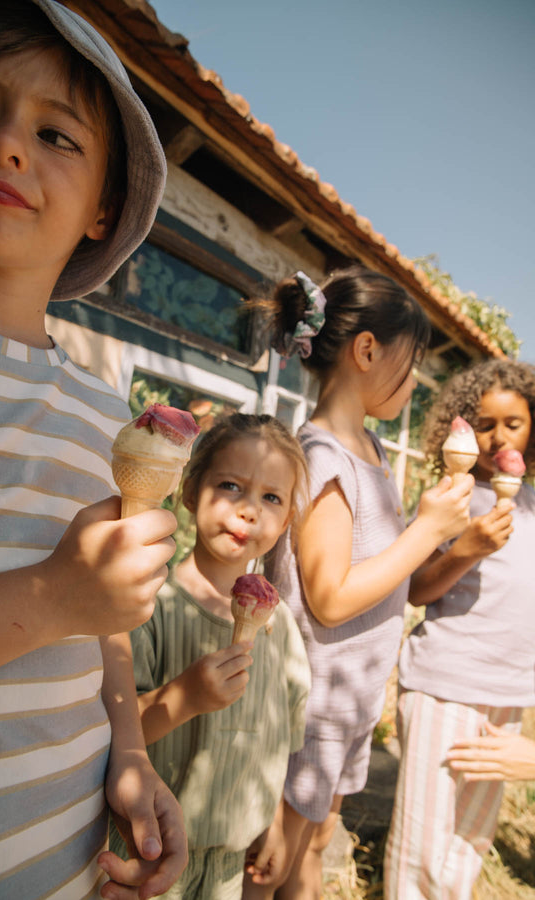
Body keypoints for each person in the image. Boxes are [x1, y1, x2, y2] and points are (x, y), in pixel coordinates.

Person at [0, 1, 188, 897]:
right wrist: (49, 596)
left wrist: (129, 755)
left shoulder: (104, 410)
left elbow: (102, 622)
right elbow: (68, 597)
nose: (6, 144)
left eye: (57, 135)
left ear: (103, 210)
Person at [255, 266, 473, 899]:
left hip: (351, 700)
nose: (416, 380)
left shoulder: (371, 451)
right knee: (272, 865)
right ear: (368, 350)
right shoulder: (323, 458)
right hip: (312, 709)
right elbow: (328, 598)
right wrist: (427, 531)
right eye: (412, 363)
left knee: (316, 844)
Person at [110, 413, 313, 900]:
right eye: (230, 486)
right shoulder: (149, 606)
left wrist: (277, 823)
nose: (249, 511)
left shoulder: (279, 624)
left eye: (271, 497)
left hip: (231, 864)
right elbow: (114, 730)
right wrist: (184, 697)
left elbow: (285, 734)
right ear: (190, 490)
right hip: (152, 857)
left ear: (286, 519)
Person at [384, 358, 535, 900]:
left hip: (508, 695)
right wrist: (466, 549)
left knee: (467, 841)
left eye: (512, 424)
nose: (497, 438)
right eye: (484, 423)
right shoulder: (452, 500)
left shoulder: (534, 507)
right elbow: (415, 589)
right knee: (423, 845)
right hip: (446, 687)